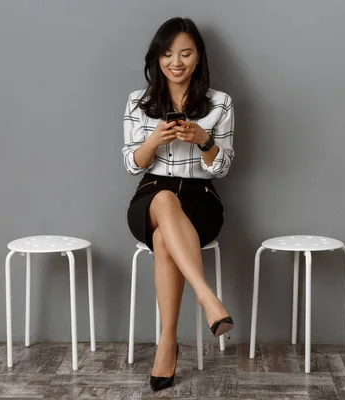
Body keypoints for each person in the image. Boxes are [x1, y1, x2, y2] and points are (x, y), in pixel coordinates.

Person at [122, 17, 235, 391]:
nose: (176, 61)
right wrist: (153, 141)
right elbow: (130, 163)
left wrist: (203, 139)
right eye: (168, 53)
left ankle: (167, 343)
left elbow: (222, 166)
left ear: (198, 56)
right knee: (165, 198)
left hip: (201, 199)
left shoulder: (220, 103)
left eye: (185, 53)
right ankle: (207, 298)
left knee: (162, 241)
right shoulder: (138, 102)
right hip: (152, 193)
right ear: (157, 57)